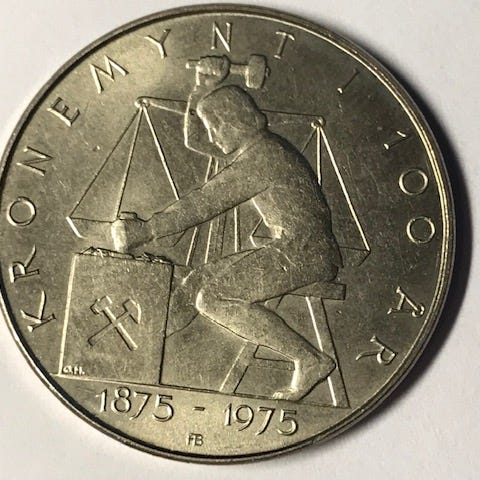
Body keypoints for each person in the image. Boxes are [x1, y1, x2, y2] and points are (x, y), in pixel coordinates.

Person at [112, 57, 343, 400]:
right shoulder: (255, 147)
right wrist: (202, 87)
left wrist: (147, 230)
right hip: (292, 248)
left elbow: (206, 201)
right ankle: (139, 347)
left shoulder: (264, 157)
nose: (211, 136)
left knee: (215, 298)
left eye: (216, 127)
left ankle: (309, 359)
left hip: (305, 252)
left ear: (237, 121)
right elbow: (196, 141)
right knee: (194, 283)